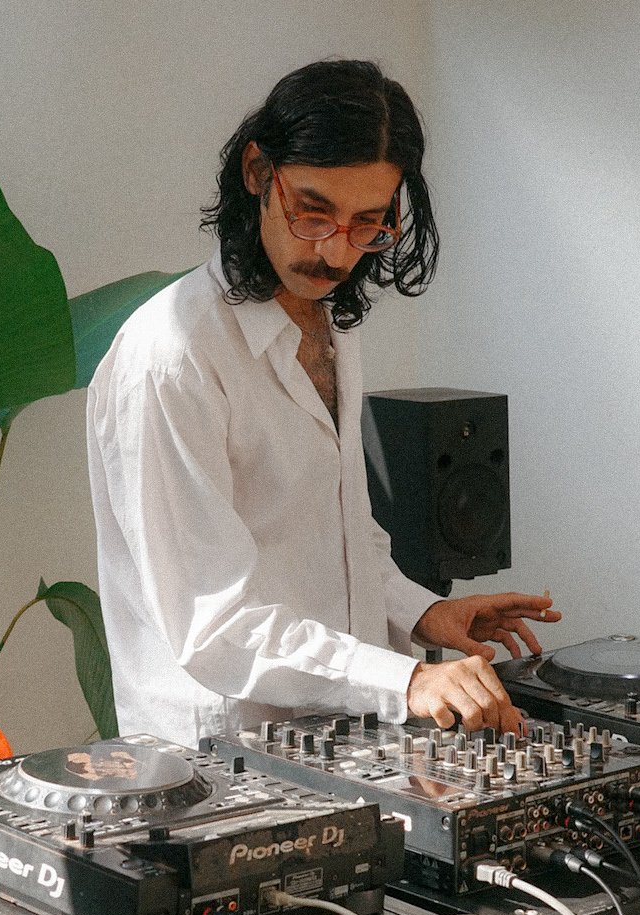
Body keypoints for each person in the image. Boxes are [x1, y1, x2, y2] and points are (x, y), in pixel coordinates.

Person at [87, 58, 559, 748]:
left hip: (348, 738)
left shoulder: (334, 322)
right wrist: (405, 681)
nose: (336, 251)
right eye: (314, 212)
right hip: (217, 763)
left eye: (367, 222)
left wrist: (427, 614)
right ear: (257, 173)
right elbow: (213, 624)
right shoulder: (171, 358)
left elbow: (342, 534)